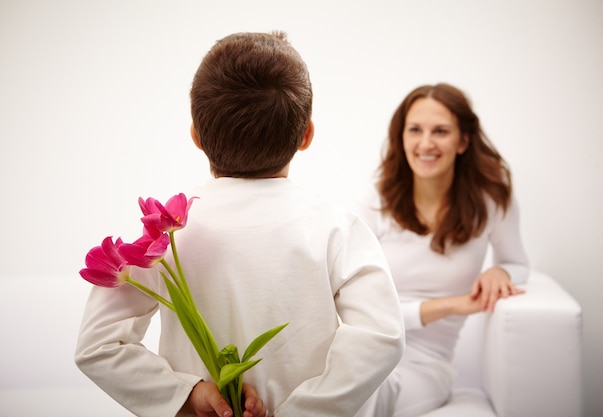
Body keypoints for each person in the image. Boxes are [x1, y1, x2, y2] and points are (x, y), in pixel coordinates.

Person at [75, 31, 405, 417]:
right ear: (306, 135)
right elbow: (381, 338)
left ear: (196, 136)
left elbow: (97, 346)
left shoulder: (163, 238)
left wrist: (188, 395)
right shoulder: (336, 228)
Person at [352, 83, 529, 417]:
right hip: (365, 349)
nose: (426, 143)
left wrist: (499, 270)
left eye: (441, 131)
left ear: (462, 141)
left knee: (369, 395)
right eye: (415, 130)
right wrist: (450, 305)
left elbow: (518, 263)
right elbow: (352, 308)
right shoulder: (375, 204)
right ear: (401, 137)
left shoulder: (492, 204)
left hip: (424, 365)